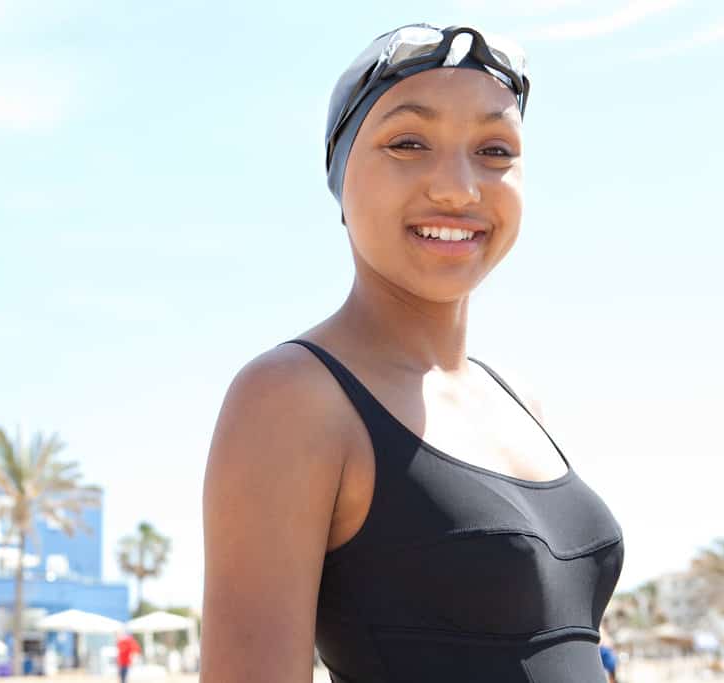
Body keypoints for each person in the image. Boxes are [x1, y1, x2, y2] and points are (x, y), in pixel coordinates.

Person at [201, 22, 626, 683]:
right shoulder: (293, 396)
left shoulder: (515, 397)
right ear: (340, 179)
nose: (458, 189)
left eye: (493, 149)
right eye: (407, 142)